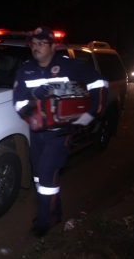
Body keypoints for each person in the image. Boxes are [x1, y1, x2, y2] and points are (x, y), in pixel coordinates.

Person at [13, 26, 108, 237]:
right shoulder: (25, 70)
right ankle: (55, 211)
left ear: (53, 46)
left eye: (41, 44)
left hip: (60, 133)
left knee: (47, 174)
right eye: (33, 44)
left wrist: (92, 113)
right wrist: (27, 110)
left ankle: (45, 221)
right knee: (39, 177)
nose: (36, 48)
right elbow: (17, 101)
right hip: (37, 133)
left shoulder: (68, 66)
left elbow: (99, 83)